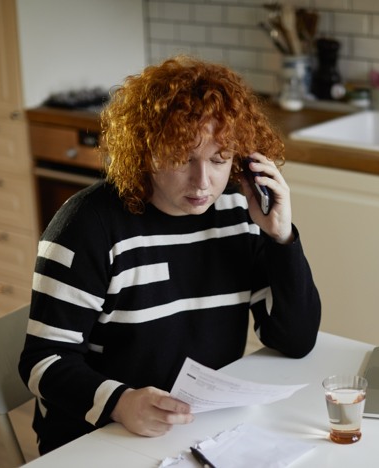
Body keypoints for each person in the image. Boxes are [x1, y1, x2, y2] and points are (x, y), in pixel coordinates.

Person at [18, 55, 322, 454]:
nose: (202, 182)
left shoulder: (238, 211)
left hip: (199, 427)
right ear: (144, 151)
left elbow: (295, 340)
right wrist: (120, 402)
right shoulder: (87, 226)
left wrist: (281, 238)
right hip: (98, 436)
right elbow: (41, 362)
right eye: (181, 159)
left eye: (219, 160)